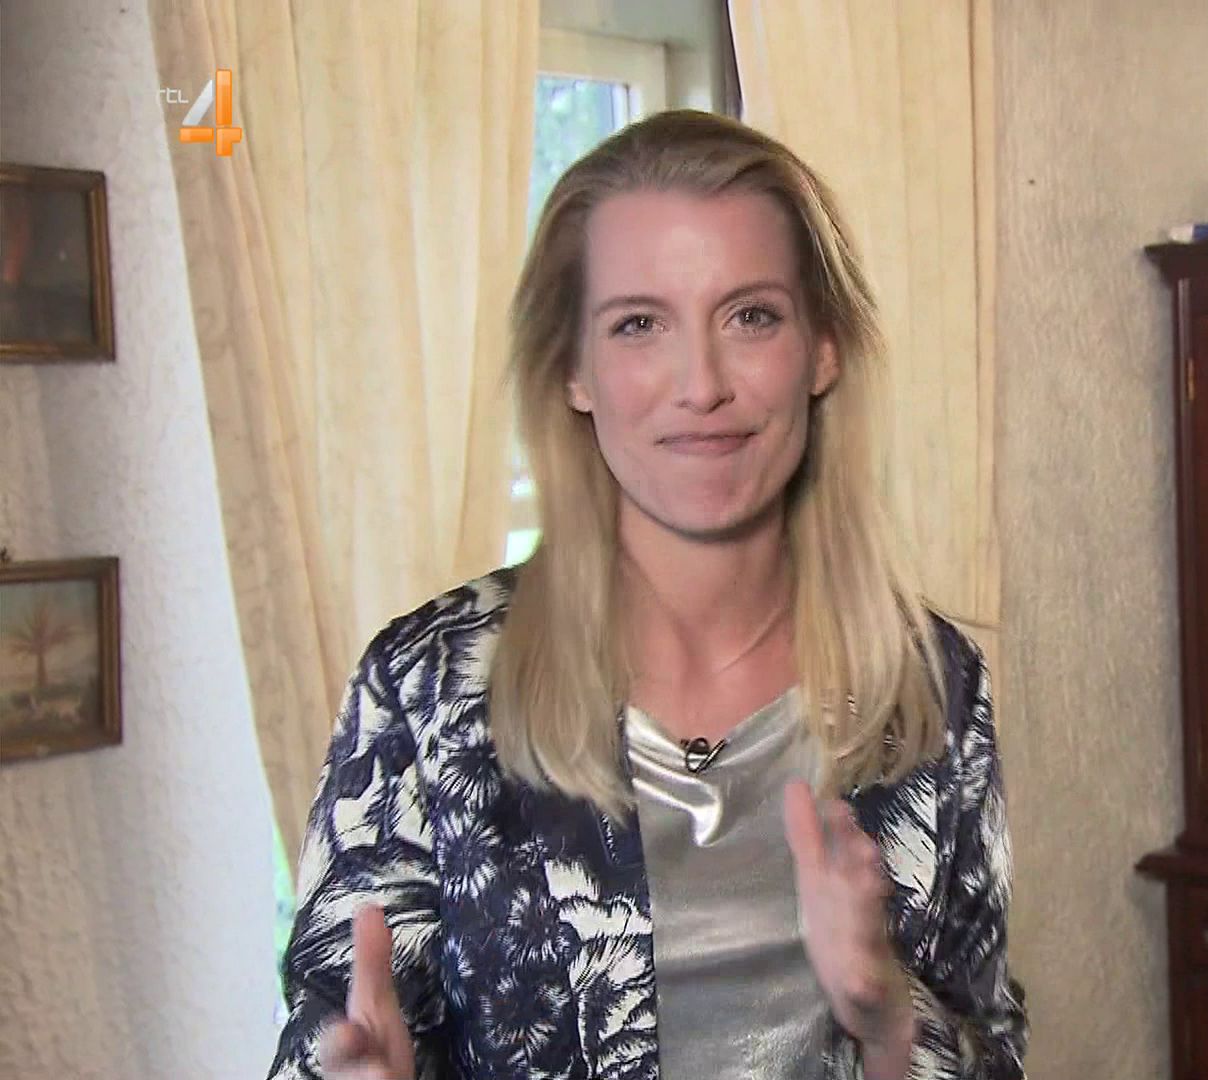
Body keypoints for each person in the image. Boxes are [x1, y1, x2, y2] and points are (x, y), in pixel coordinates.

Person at [266, 109, 1026, 1080]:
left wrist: (889, 1022)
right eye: (639, 325)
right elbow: (327, 1042)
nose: (700, 384)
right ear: (573, 370)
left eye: (751, 316)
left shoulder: (928, 682)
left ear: (824, 348)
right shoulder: (426, 688)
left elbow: (993, 1047)